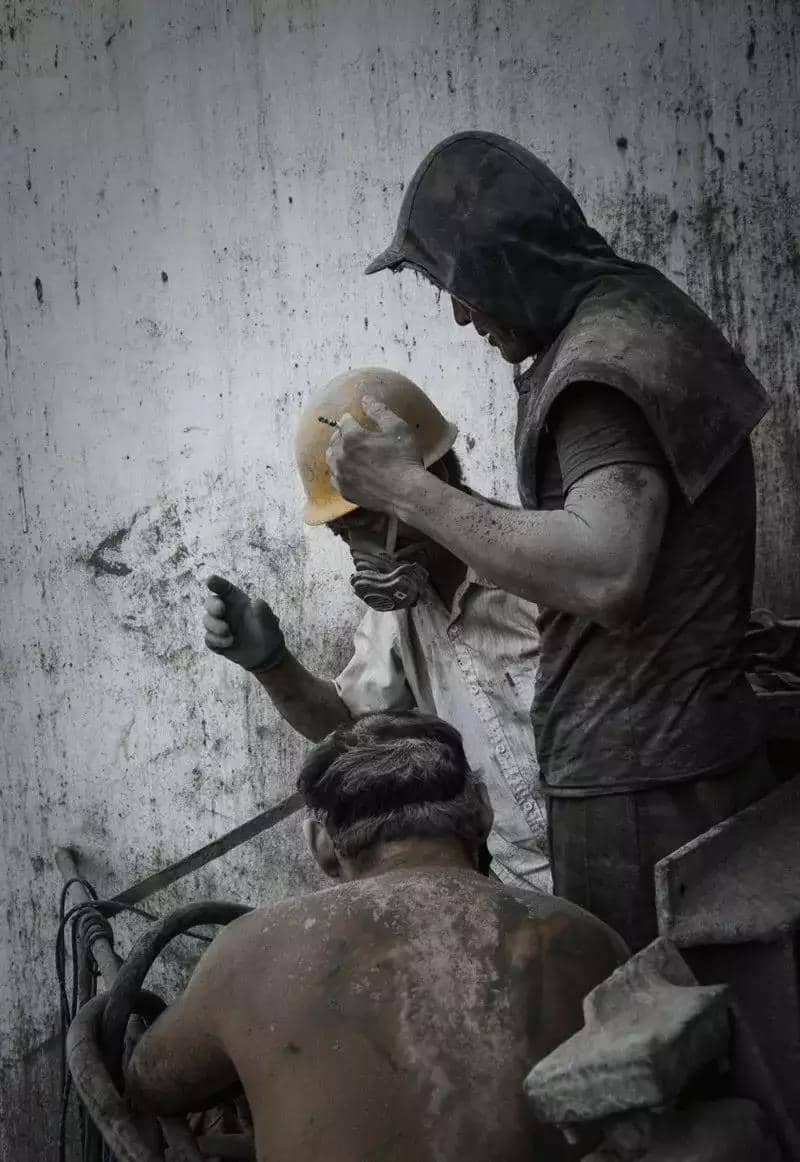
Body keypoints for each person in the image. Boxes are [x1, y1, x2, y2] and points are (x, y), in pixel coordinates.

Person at [326, 131, 776, 951]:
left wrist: (405, 489)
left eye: (460, 287)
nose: (462, 315)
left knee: (631, 1009)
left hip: (642, 782)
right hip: (680, 761)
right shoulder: (641, 314)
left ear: (503, 264)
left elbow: (607, 572)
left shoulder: (597, 367)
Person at [126, 711, 627, 1162]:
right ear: (482, 809)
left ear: (322, 843)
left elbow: (150, 1083)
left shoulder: (248, 949)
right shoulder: (590, 940)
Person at [203, 367, 550, 891]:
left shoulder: (541, 572)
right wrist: (273, 666)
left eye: (367, 525)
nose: (361, 552)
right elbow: (349, 724)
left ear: (432, 479)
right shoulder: (398, 612)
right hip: (519, 888)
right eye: (345, 536)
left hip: (614, 856)